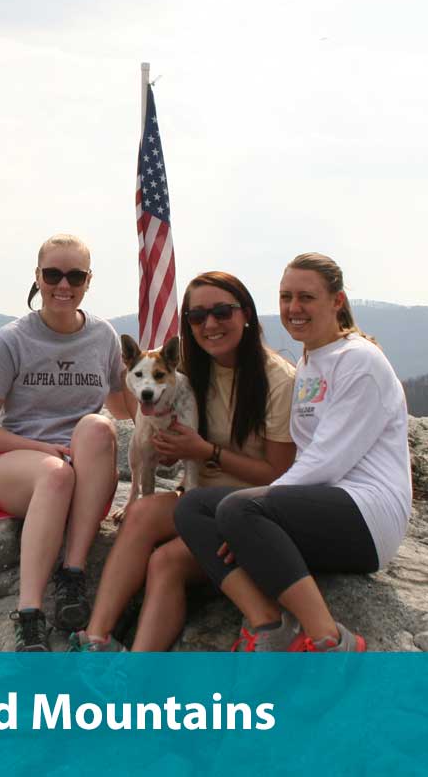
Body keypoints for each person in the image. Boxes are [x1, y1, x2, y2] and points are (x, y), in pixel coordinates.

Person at [174, 252, 411, 652]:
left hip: (367, 514)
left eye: (306, 297)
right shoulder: (309, 363)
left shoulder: (359, 360)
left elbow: (327, 460)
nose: (293, 308)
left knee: (235, 509)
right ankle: (268, 624)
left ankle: (329, 640)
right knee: (193, 508)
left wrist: (256, 509)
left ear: (337, 301)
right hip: (322, 507)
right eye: (286, 297)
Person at [69, 272, 296, 651]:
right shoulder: (188, 369)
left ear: (247, 315)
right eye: (197, 316)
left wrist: (206, 452)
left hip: (250, 506)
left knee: (165, 562)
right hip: (198, 500)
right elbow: (145, 379)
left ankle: (137, 676)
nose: (210, 324)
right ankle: (95, 642)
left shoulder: (278, 380)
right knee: (140, 513)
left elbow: (279, 474)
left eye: (223, 312)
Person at [0, 234, 130, 651]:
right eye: (53, 274)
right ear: (37, 277)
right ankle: (29, 616)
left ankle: (72, 575)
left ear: (88, 280)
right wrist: (45, 450)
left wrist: (149, 373)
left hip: (81, 464)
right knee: (56, 476)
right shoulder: (10, 340)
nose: (64, 284)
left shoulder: (103, 337)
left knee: (99, 427)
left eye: (74, 275)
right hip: (19, 463)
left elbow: (124, 408)